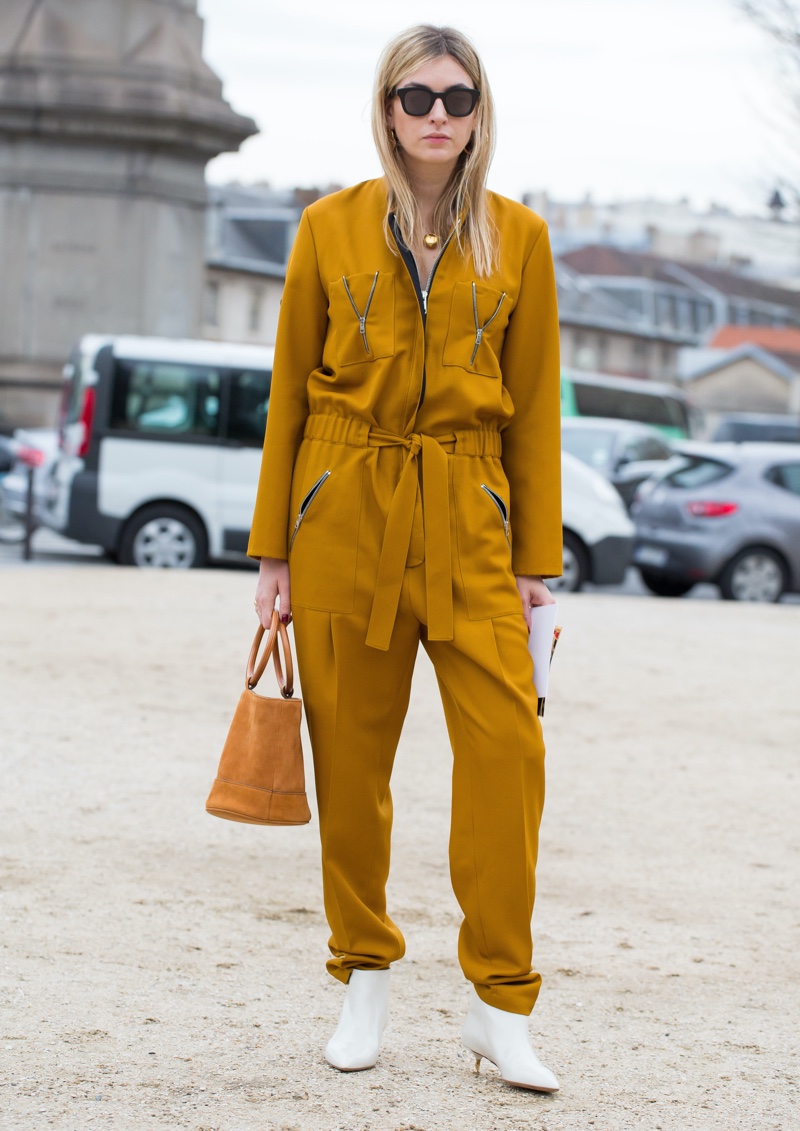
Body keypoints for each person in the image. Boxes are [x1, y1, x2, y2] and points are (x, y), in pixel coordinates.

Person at [250, 24, 562, 1093]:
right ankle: (363, 983)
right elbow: (288, 392)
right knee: (351, 770)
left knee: (506, 762)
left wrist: (534, 561)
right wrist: (270, 555)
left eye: (457, 98)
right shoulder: (325, 227)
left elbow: (533, 416)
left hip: (469, 519)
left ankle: (499, 1004)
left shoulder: (518, 238)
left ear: (480, 112)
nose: (437, 116)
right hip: (343, 514)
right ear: (386, 108)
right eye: (416, 96)